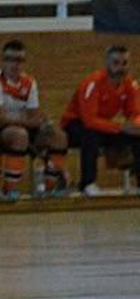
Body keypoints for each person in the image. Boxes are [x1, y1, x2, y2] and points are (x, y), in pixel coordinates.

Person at [0, 40, 69, 199]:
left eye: (19, 60)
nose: (15, 64)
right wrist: (28, 121)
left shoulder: (29, 82)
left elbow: (35, 116)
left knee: (59, 136)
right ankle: (9, 190)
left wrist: (35, 122)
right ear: (3, 61)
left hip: (20, 128)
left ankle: (51, 189)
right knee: (19, 135)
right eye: (10, 59)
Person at [59, 45, 140, 196]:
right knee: (90, 135)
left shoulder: (130, 85)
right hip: (75, 125)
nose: (121, 68)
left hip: (103, 125)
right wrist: (121, 127)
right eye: (116, 63)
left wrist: (135, 126)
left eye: (125, 63)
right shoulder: (92, 83)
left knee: (136, 137)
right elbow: (89, 120)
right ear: (107, 63)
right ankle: (87, 183)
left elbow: (135, 113)